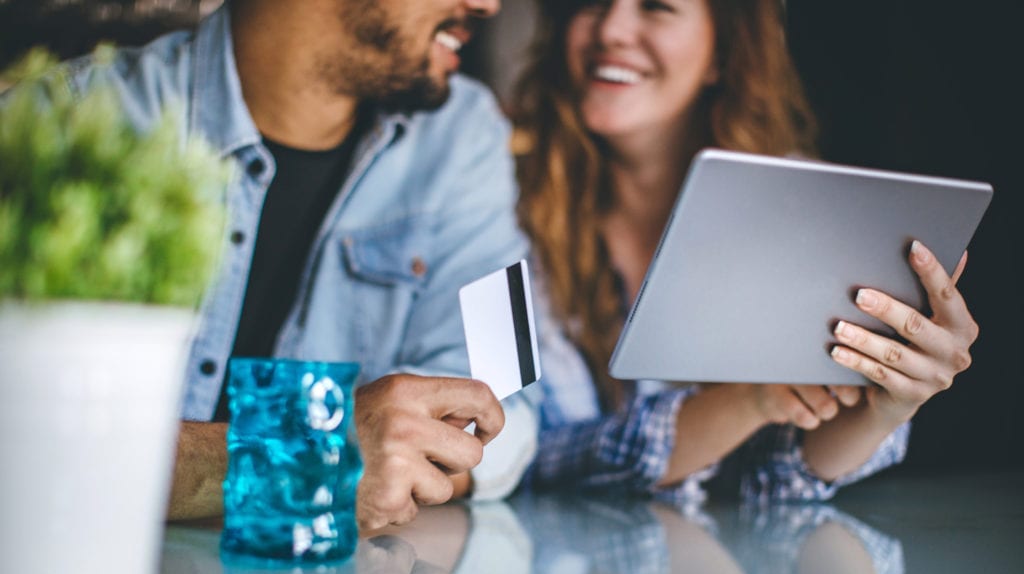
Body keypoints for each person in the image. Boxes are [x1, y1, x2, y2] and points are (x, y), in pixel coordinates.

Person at [43, 0, 539, 531]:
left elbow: (502, 412)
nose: (487, 5)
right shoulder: (57, 130)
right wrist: (301, 457)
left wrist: (393, 452)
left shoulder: (461, 135)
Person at [511, 0, 979, 503]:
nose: (612, 29)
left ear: (723, 53)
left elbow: (778, 476)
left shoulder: (811, 212)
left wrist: (888, 407)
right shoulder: (503, 209)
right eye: (591, 1)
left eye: (656, 6)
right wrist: (749, 401)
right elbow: (522, 458)